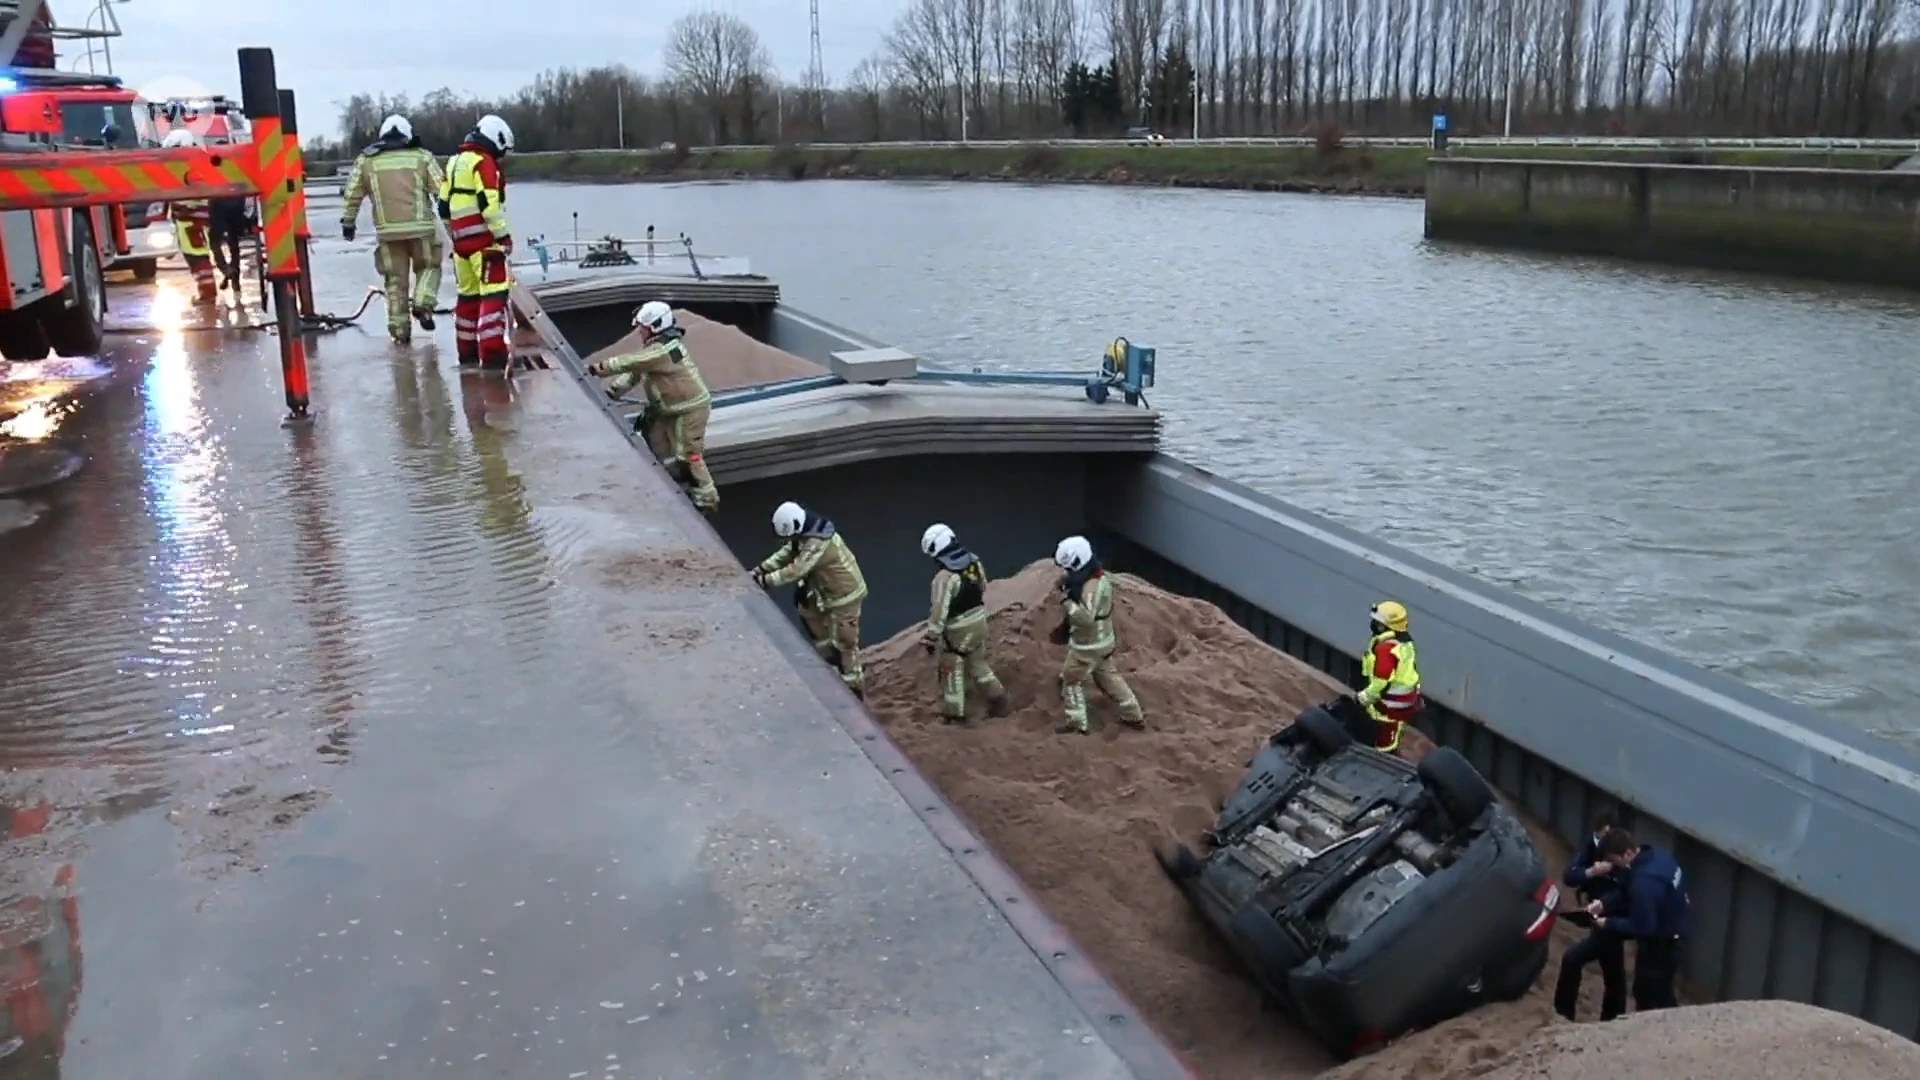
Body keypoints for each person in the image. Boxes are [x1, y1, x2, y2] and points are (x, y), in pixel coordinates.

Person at [584, 301, 717, 512]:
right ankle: (669, 482)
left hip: (690, 409)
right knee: (652, 438)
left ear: (655, 326)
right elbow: (634, 374)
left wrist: (596, 369)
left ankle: (706, 500)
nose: (639, 332)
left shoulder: (663, 351)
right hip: (669, 408)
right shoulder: (657, 350)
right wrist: (612, 392)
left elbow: (631, 363)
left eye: (642, 328)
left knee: (689, 456)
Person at [341, 113, 447, 344]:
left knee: (394, 281)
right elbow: (442, 192)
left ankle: (400, 333)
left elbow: (352, 193)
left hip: (388, 233)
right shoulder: (423, 157)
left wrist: (348, 222)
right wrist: (452, 220)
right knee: (429, 267)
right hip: (422, 231)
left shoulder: (366, 161)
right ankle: (423, 303)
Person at [753, 502, 868, 696]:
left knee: (845, 643)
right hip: (827, 592)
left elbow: (798, 569)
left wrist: (766, 580)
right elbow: (788, 552)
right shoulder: (805, 534)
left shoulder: (817, 543)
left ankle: (854, 689)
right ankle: (831, 662)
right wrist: (761, 569)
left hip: (846, 596)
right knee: (807, 610)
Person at [438, 114, 515, 368]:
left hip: (462, 248)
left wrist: (455, 236)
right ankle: (493, 355)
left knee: (468, 300)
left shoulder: (454, 163)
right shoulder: (484, 163)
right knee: (494, 297)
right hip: (486, 246)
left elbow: (443, 206)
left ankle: (467, 354)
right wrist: (503, 237)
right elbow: (490, 207)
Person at [1587, 828, 1693, 1013]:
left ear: (1627, 853)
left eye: (1614, 861)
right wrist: (1604, 903)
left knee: (1651, 995)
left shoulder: (1644, 883)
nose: (1615, 866)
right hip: (1676, 928)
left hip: (1663, 943)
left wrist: (1608, 923)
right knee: (1659, 990)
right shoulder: (1655, 856)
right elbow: (1626, 887)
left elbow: (1643, 927)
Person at [1051, 535, 1144, 735]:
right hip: (1103, 640)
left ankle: (1076, 723)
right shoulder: (1099, 577)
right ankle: (1132, 714)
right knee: (1108, 677)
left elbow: (1085, 617)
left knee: (1071, 680)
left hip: (1088, 646)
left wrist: (1066, 601)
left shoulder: (1090, 587)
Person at [919, 523, 1010, 723]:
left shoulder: (944, 578)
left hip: (958, 629)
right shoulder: (974, 562)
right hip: (979, 619)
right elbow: (983, 586)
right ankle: (999, 700)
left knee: (950, 667)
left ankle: (954, 715)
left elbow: (939, 610)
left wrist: (932, 636)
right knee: (978, 664)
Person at [1553, 806, 1628, 1022]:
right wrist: (1592, 871)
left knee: (1573, 959)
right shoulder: (1592, 848)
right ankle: (1613, 1017)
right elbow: (1570, 875)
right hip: (1598, 916)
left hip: (1611, 919)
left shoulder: (1622, 857)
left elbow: (1626, 890)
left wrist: (1605, 903)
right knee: (1613, 972)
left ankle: (1565, 1013)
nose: (1599, 842)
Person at [160, 129, 219, 305]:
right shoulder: (194, 166)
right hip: (191, 220)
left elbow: (193, 197)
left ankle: (207, 293)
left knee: (198, 259)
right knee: (196, 258)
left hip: (192, 221)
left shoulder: (189, 170)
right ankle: (206, 291)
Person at [1356, 600, 1422, 752]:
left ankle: (1384, 751)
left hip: (1392, 702)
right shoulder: (1405, 642)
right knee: (1392, 724)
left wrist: (1363, 698)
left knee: (1383, 725)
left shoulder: (1386, 649)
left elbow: (1382, 683)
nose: (1373, 624)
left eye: (1377, 622)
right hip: (1408, 698)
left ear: (1384, 626)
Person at [207, 195, 253, 294]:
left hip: (218, 207)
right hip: (236, 205)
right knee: (234, 245)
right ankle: (235, 280)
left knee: (214, 243)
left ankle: (226, 270)